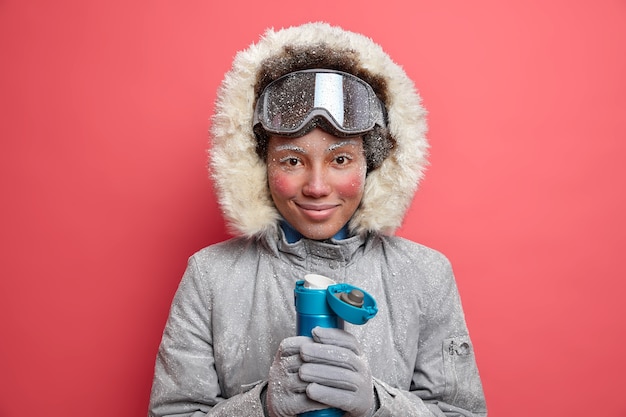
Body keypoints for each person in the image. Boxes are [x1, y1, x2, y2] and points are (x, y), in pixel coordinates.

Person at [149, 22, 487, 417]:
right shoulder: (210, 276)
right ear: (258, 165)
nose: (316, 186)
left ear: (373, 165)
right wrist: (260, 406)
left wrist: (379, 404)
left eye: (340, 159)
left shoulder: (426, 275)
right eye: (292, 160)